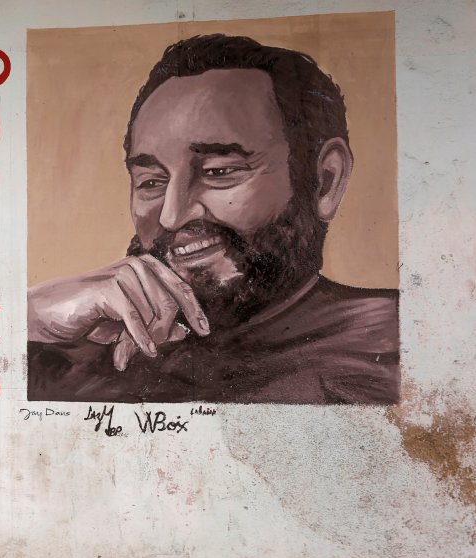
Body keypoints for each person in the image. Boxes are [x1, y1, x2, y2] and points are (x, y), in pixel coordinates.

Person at [27, 34, 399, 404]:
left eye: (219, 172)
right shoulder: (64, 351)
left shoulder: (401, 350)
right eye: (152, 182)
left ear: (324, 182)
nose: (171, 217)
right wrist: (25, 317)